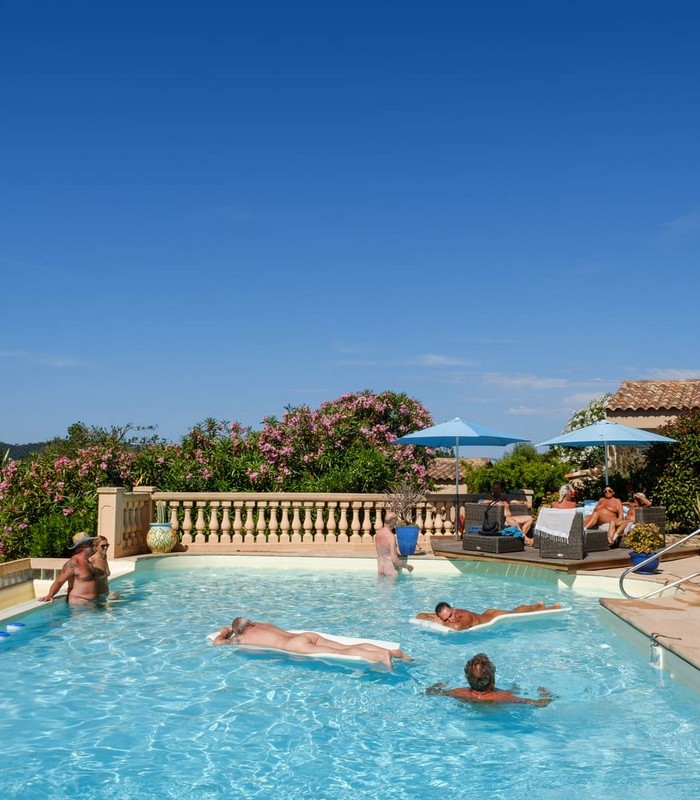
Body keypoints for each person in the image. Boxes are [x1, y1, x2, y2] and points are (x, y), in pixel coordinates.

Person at [212, 617, 411, 667]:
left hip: (296, 646)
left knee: (342, 653)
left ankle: (380, 656)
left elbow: (218, 644)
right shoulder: (262, 625)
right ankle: (392, 652)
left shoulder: (241, 638)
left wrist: (225, 632)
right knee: (345, 647)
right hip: (306, 635)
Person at [426, 652, 556, 706]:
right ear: (492, 682)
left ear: (468, 679)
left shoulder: (459, 693)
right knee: (514, 690)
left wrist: (437, 685)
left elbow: (430, 692)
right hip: (496, 706)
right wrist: (545, 694)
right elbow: (540, 704)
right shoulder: (505, 697)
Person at [417, 600, 561, 631]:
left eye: (451, 615)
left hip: (493, 617)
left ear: (454, 609)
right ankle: (539, 605)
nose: (451, 619)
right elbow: (420, 615)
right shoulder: (448, 615)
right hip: (486, 614)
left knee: (517, 613)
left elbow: (457, 627)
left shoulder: (463, 617)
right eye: (446, 618)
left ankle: (546, 607)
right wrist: (433, 618)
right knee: (515, 611)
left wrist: (441, 623)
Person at [39, 533, 100, 605]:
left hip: (90, 604)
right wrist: (50, 595)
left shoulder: (88, 562)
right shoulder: (73, 563)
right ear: (83, 545)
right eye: (91, 543)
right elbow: (59, 581)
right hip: (80, 604)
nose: (93, 546)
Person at [374, 513, 414, 578]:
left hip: (380, 570)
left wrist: (397, 553)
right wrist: (408, 567)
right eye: (396, 521)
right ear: (393, 521)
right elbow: (394, 560)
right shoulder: (391, 536)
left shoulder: (378, 533)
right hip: (390, 571)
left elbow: (385, 551)